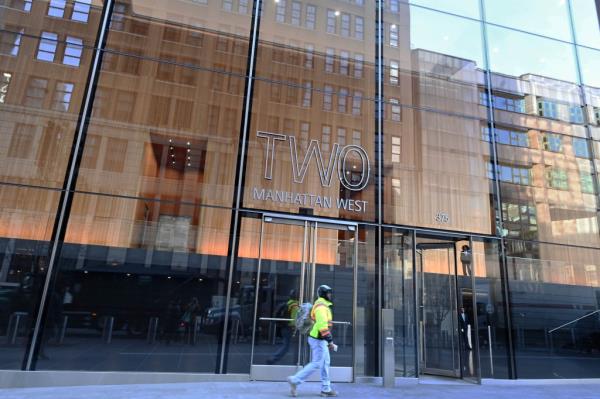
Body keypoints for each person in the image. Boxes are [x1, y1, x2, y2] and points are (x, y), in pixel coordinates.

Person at [287, 285, 338, 397]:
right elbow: (322, 326)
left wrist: (328, 340)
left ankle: (326, 388)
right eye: (328, 293)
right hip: (318, 339)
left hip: (320, 339)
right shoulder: (321, 307)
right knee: (317, 363)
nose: (330, 295)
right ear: (324, 294)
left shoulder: (323, 306)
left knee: (325, 363)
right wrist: (330, 341)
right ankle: (295, 380)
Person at [267, 289, 299, 364]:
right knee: (286, 346)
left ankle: (274, 358)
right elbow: (293, 319)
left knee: (286, 345)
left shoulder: (288, 303)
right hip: (290, 328)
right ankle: (273, 359)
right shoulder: (295, 305)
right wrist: (295, 327)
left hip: (284, 327)